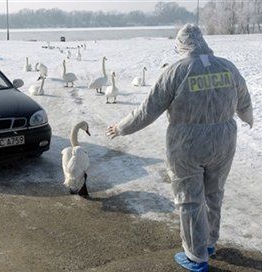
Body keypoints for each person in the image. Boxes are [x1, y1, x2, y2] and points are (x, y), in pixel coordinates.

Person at [106, 24, 253, 272]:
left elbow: (147, 110)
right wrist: (248, 117)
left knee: (189, 198)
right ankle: (208, 243)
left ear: (182, 44)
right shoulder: (227, 67)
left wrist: (121, 127)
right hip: (223, 141)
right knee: (214, 192)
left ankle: (196, 256)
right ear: (203, 41)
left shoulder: (176, 71)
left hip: (187, 144)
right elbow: (244, 99)